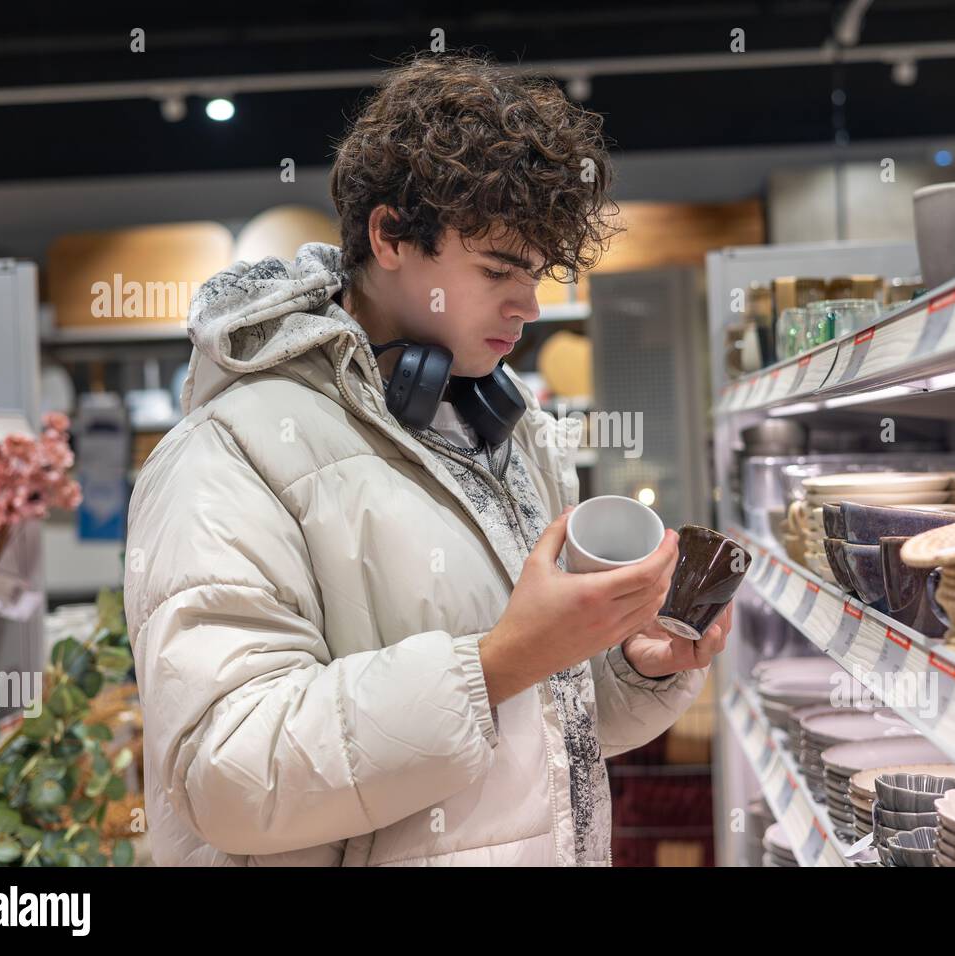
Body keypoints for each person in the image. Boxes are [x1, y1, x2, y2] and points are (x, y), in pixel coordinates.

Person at [123, 50, 730, 867]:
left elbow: (552, 731)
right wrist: (501, 659)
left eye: (540, 274)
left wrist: (633, 665)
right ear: (390, 235)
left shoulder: (508, 436)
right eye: (497, 271)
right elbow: (231, 777)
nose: (530, 305)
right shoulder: (226, 454)